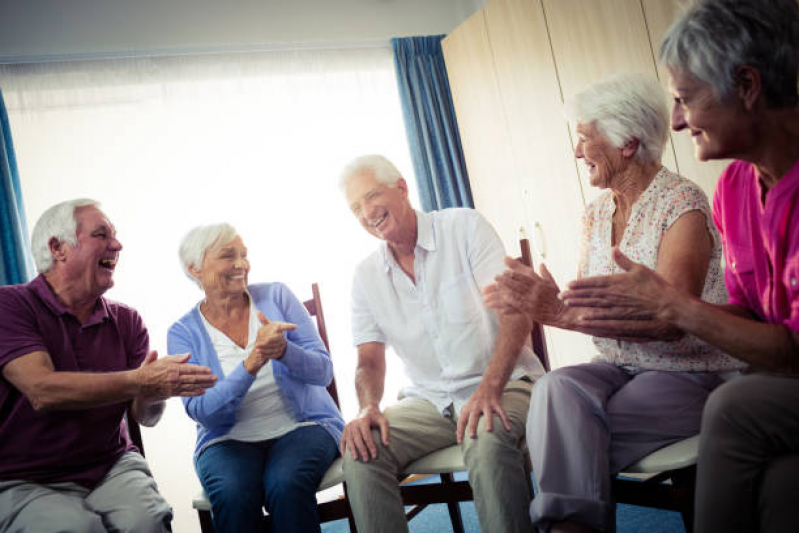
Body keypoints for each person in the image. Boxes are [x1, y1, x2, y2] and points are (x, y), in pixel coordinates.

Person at [558, 1, 799, 531]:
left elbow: (786, 349)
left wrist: (674, 308)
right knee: (559, 394)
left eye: (686, 99)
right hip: (698, 370)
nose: (676, 121)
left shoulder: (683, 202)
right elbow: (755, 316)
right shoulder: (735, 189)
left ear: (748, 86)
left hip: (704, 375)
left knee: (734, 406)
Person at [485, 73, 745, 533]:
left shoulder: (681, 204)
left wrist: (562, 313)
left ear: (627, 142)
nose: (577, 151)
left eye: (585, 138)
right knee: (554, 390)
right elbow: (593, 303)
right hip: (617, 365)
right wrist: (556, 305)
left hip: (688, 370)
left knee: (564, 434)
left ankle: (568, 527)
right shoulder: (597, 211)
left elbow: (672, 321)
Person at [339, 154, 546, 533]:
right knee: (361, 450)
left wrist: (489, 387)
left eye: (371, 196)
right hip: (430, 400)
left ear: (401, 187)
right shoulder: (365, 275)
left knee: (483, 432)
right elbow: (368, 361)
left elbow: (515, 314)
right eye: (355, 207)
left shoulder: (465, 227)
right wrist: (367, 406)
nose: (366, 212)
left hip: (506, 382)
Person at [0, 198, 217, 533]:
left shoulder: (127, 321)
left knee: (147, 521)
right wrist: (140, 380)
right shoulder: (10, 306)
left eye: (114, 236)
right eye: (101, 235)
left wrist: (155, 391)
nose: (117, 245)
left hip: (110, 466)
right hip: (24, 478)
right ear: (58, 247)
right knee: (75, 528)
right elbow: (42, 390)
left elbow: (146, 416)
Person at [167, 223, 344, 533]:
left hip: (303, 426)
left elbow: (323, 371)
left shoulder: (276, 296)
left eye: (244, 255)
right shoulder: (182, 333)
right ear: (194, 268)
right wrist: (252, 364)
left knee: (285, 484)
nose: (241, 265)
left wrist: (285, 351)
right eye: (227, 256)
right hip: (226, 442)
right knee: (234, 495)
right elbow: (203, 412)